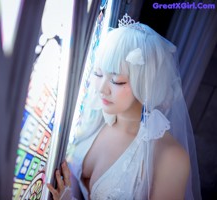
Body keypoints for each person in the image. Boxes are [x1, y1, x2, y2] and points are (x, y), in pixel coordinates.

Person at [47, 13, 201, 200]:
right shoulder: (92, 115)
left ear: (146, 85)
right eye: (97, 73)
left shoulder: (170, 158)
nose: (102, 89)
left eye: (116, 81)